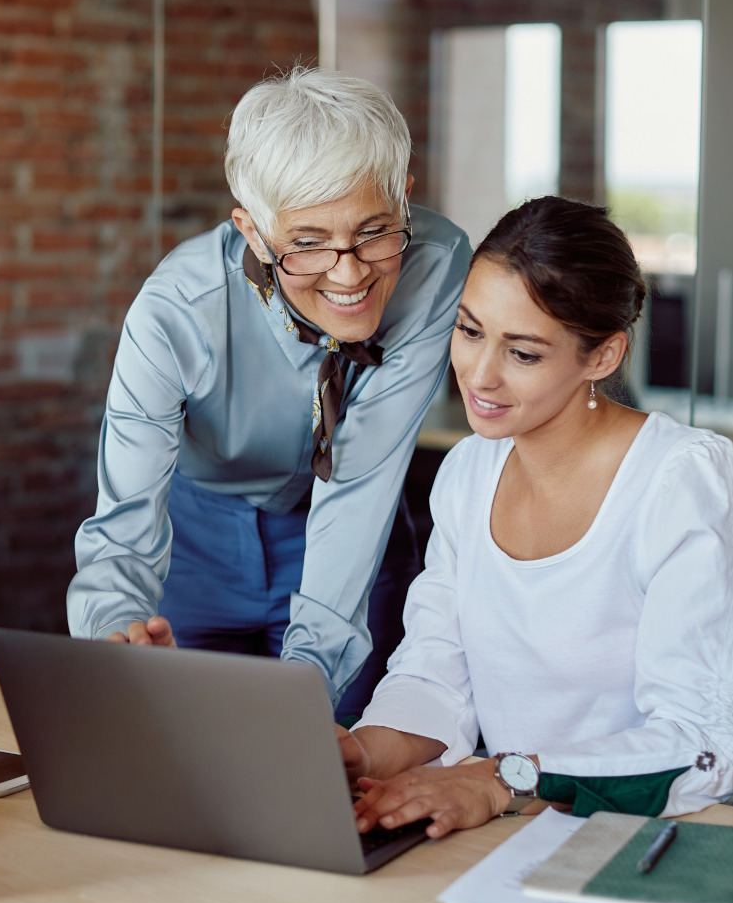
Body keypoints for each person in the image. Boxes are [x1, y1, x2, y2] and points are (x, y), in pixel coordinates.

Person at [340, 196, 733, 837]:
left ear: (601, 357)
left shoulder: (684, 479)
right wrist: (358, 752)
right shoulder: (468, 471)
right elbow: (435, 672)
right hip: (523, 824)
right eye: (469, 330)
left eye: (524, 353)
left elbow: (704, 747)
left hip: (673, 836)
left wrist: (501, 776)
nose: (479, 375)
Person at [66, 68, 471, 719]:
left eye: (373, 230)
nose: (349, 272)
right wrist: (116, 629)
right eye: (307, 244)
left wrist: (308, 678)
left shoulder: (436, 263)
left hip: (349, 537)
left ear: (404, 197)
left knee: (338, 774)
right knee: (191, 767)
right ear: (253, 231)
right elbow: (125, 521)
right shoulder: (175, 311)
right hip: (194, 542)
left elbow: (363, 472)